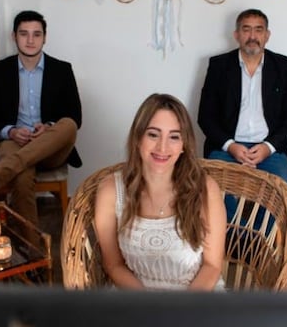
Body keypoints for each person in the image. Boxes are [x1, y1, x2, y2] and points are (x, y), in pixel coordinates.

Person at [94, 93, 226, 291]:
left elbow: (212, 266)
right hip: (135, 298)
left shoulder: (206, 189)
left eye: (174, 137)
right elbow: (113, 264)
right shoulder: (110, 191)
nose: (162, 147)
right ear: (138, 138)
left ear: (184, 145)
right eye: (153, 134)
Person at [0, 10, 82, 229]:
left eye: (36, 34)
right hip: (14, 142)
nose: (30, 40)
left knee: (68, 125)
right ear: (14, 36)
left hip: (50, 148)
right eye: (24, 34)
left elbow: (75, 116)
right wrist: (11, 131)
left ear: (45, 37)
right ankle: (33, 254)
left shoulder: (62, 69)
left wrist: (49, 126)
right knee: (21, 179)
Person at [197, 8, 287, 224]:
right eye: (246, 29)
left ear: (267, 35)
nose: (252, 36)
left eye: (258, 30)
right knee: (212, 186)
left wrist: (268, 147)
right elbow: (205, 117)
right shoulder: (219, 65)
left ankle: (260, 240)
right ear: (236, 34)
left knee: (281, 190)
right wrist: (231, 146)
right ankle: (234, 236)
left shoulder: (282, 66)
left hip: (269, 149)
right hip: (228, 148)